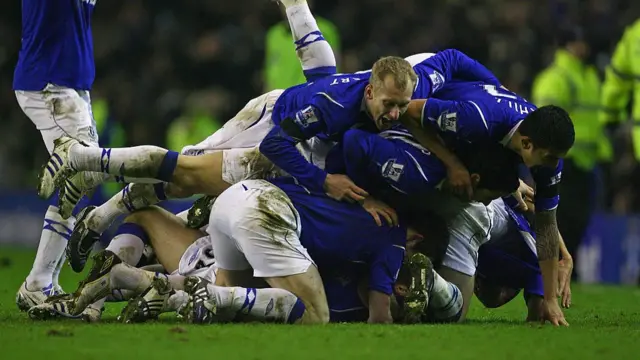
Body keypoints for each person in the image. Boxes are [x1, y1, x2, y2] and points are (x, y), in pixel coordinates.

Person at [13, 0, 109, 312]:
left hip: (72, 86)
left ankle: (45, 282)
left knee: (83, 182)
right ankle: (38, 283)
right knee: (81, 174)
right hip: (50, 85)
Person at [531, 26, 610, 279]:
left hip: (586, 162)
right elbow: (547, 124)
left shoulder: (588, 76)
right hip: (563, 161)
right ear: (567, 45)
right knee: (560, 220)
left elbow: (595, 120)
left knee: (578, 222)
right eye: (579, 42)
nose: (584, 47)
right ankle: (550, 272)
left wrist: (603, 151)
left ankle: (564, 272)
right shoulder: (556, 78)